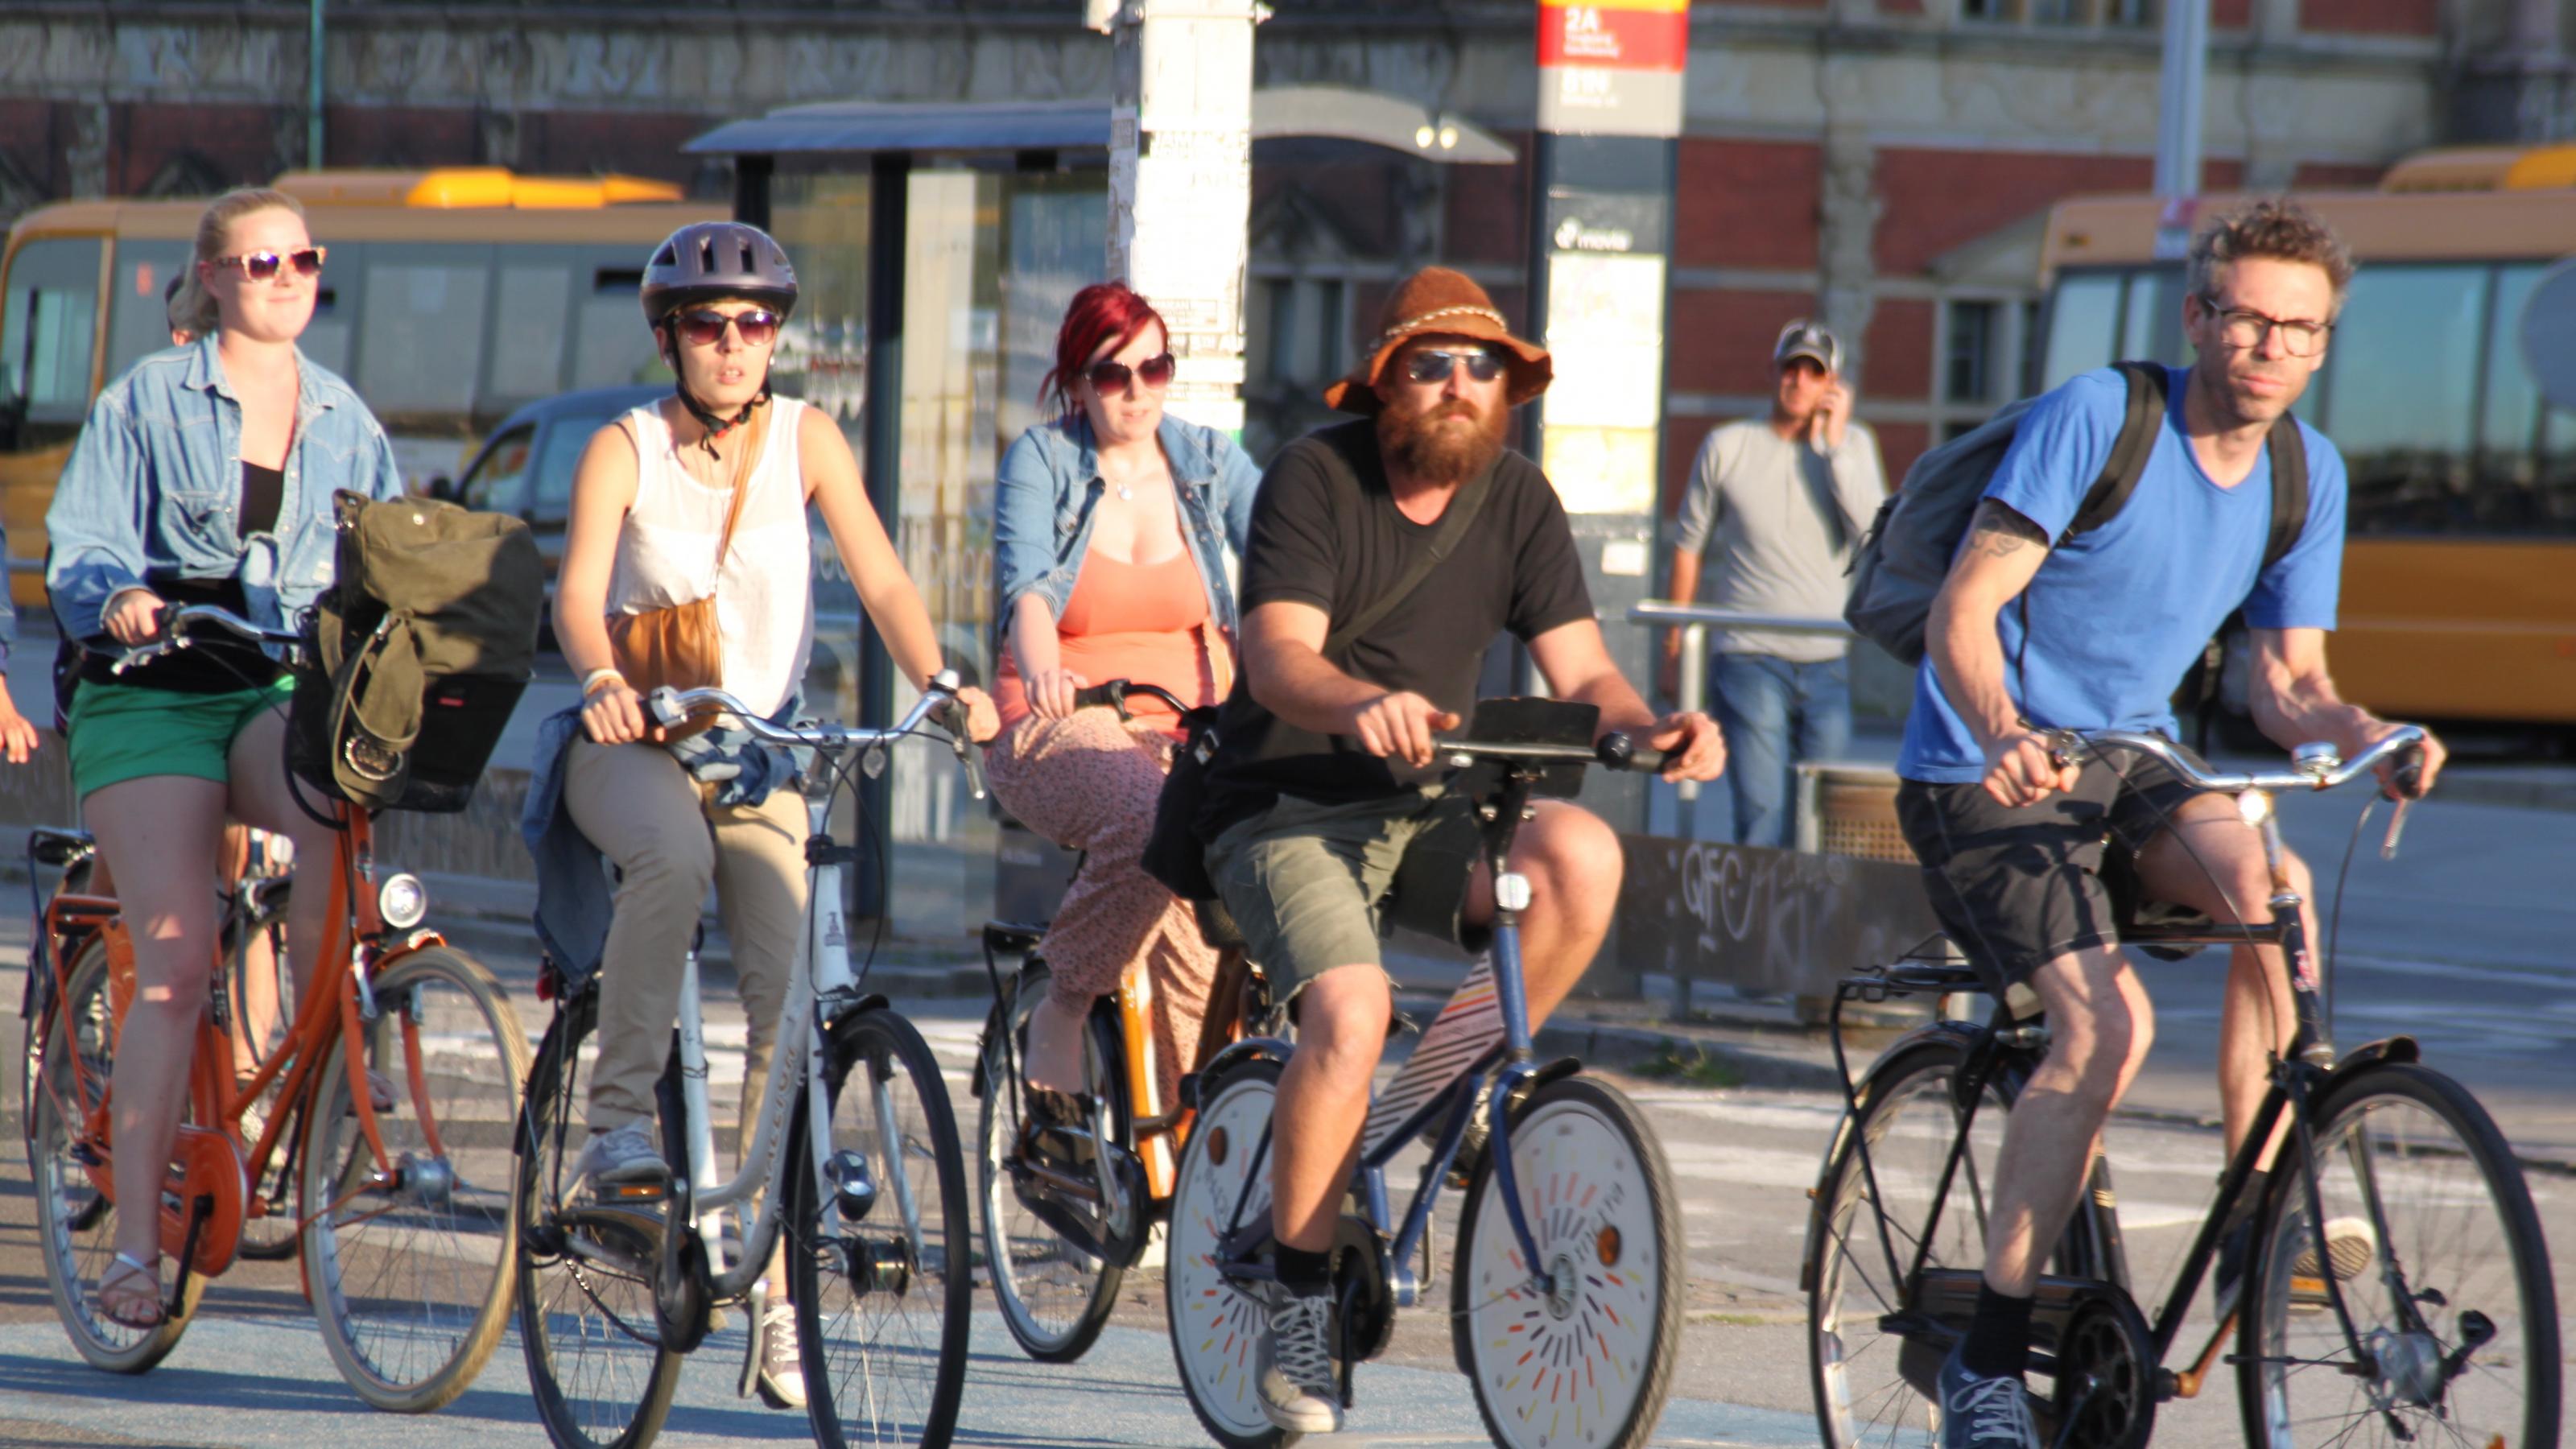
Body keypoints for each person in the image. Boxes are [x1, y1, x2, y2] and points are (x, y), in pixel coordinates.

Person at [1893, 198, 2445, 1449]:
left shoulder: (2309, 469)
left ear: (2322, 343)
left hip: (2134, 756)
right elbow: (1965, 610)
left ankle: (2260, 1206)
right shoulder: (2104, 417)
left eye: (2299, 330)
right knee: (2107, 1027)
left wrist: (2368, 735)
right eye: (2246, 318)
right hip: (1983, 767)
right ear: (2199, 317)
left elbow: (2286, 680)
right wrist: (2001, 734)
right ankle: (1985, 1361)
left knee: (2277, 894)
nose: (2269, 347)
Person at [1193, 266, 1725, 1434]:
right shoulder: (1314, 478)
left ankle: (1447, 1094)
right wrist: (1355, 701)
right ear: (1386, 382)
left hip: (1432, 810)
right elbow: (1278, 655)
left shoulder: (1520, 501)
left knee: (1581, 854)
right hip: (1287, 807)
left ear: (1510, 390)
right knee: (1350, 1012)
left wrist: (1656, 728)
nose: (1458, 386)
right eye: (1431, 364)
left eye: (1482, 367)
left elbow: (1584, 673)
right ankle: (1296, 1288)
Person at [539, 220, 996, 1410]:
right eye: (708, 324)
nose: (735, 346)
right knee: (672, 859)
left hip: (762, 752)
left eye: (756, 324)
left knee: (789, 994)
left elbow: (885, 577)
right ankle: (618, 1130)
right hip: (634, 739)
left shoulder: (807, 439)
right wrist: (598, 680)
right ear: (669, 336)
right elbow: (579, 595)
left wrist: (940, 682)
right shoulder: (622, 448)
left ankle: (775, 1286)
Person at [45, 186, 403, 1330]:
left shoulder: (348, 420)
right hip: (151, 698)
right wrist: (125, 596)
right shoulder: (146, 400)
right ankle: (135, 1252)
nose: (284, 277)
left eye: (302, 258)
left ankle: (320, 1044)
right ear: (210, 278)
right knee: (179, 963)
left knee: (333, 794)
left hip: (267, 684)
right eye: (258, 264)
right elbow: (84, 547)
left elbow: (393, 562)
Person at [985, 282, 1258, 1142]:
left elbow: (1294, 555)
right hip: (1062, 719)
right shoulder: (1041, 460)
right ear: (1075, 383)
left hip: (1193, 730)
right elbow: (1028, 591)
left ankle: (1189, 1156)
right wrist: (1043, 673)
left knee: (1212, 937)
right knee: (1147, 819)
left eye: (1155, 367)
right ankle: (1065, 1000)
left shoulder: (1211, 464)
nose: (1137, 392)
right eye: (1112, 376)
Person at [1662, 319, 1885, 845]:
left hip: (1828, 660)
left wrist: (1835, 449)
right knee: (1764, 813)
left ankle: (1808, 927)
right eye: (1792, 368)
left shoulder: (1854, 446)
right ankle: (1759, 927)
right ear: (1774, 372)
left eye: (1815, 372)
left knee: (1821, 823)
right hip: (1749, 656)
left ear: (1834, 384)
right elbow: (1688, 545)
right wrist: (1674, 644)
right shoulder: (1728, 444)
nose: (1801, 382)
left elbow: (1873, 534)